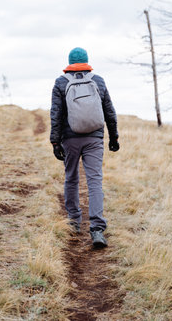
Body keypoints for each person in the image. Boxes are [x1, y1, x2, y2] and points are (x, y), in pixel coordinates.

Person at [50, 47, 119, 248]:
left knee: (71, 177)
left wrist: (55, 141)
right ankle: (97, 228)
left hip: (70, 138)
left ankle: (74, 222)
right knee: (95, 180)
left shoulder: (61, 83)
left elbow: (56, 114)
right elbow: (109, 111)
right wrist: (113, 136)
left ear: (69, 62)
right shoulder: (98, 81)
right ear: (87, 61)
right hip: (94, 138)